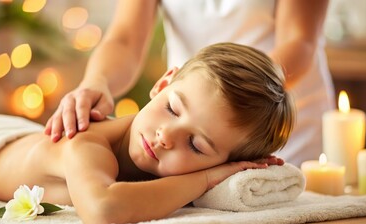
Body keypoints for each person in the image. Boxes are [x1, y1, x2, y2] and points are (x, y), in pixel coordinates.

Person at [0, 43, 294, 224]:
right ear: (163, 83)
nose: (166, 135)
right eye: (171, 108)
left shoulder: (154, 159)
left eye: (196, 145)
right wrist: (208, 176)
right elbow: (103, 209)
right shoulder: (86, 143)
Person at [45, 0, 335, 167]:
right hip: (188, 116)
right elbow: (125, 39)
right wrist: (97, 80)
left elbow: (300, 40)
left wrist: (247, 90)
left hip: (273, 113)